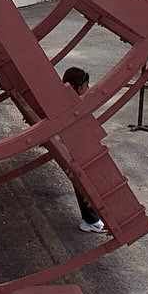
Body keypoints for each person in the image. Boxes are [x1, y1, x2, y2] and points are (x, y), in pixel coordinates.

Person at [61, 66, 108, 234]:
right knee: (89, 179)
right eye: (86, 85)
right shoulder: (73, 106)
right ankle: (91, 220)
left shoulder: (62, 101)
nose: (87, 89)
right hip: (74, 152)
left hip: (66, 150)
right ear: (77, 87)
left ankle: (92, 219)